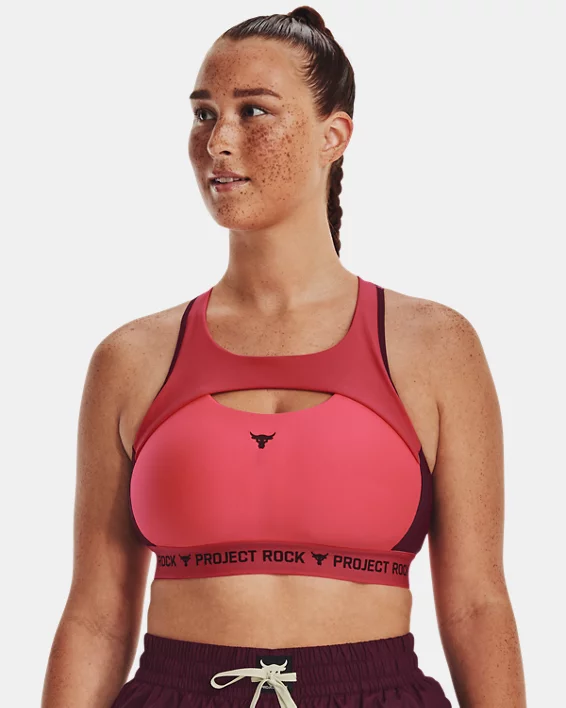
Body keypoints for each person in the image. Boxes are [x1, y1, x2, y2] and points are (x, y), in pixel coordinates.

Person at [42, 6, 526, 708]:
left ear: (335, 135)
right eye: (204, 114)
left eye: (254, 111)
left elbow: (477, 603)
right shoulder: (131, 359)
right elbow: (96, 615)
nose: (219, 141)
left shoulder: (435, 345)